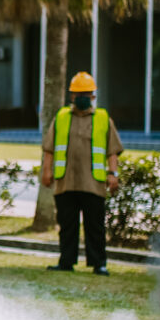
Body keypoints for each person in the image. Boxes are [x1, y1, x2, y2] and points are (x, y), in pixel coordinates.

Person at [41, 71, 122, 276]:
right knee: (67, 226)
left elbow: (112, 150)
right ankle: (66, 262)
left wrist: (113, 174)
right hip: (65, 182)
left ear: (93, 95)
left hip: (92, 183)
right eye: (78, 94)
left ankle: (98, 264)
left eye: (86, 93)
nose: (82, 97)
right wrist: (47, 171)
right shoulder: (61, 117)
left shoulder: (103, 118)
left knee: (95, 226)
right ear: (71, 97)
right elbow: (49, 149)